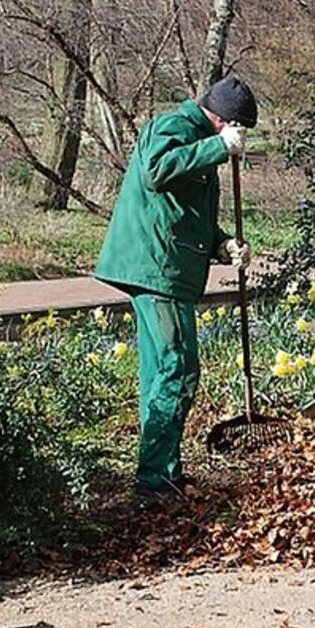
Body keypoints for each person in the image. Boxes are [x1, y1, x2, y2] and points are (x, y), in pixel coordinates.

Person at [94, 77, 257, 509]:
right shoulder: (176, 128)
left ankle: (162, 473)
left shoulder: (197, 139)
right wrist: (218, 147)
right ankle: (152, 484)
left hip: (162, 268)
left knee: (159, 375)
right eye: (239, 130)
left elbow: (183, 212)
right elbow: (156, 172)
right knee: (177, 370)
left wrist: (221, 244)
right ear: (223, 119)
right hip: (157, 270)